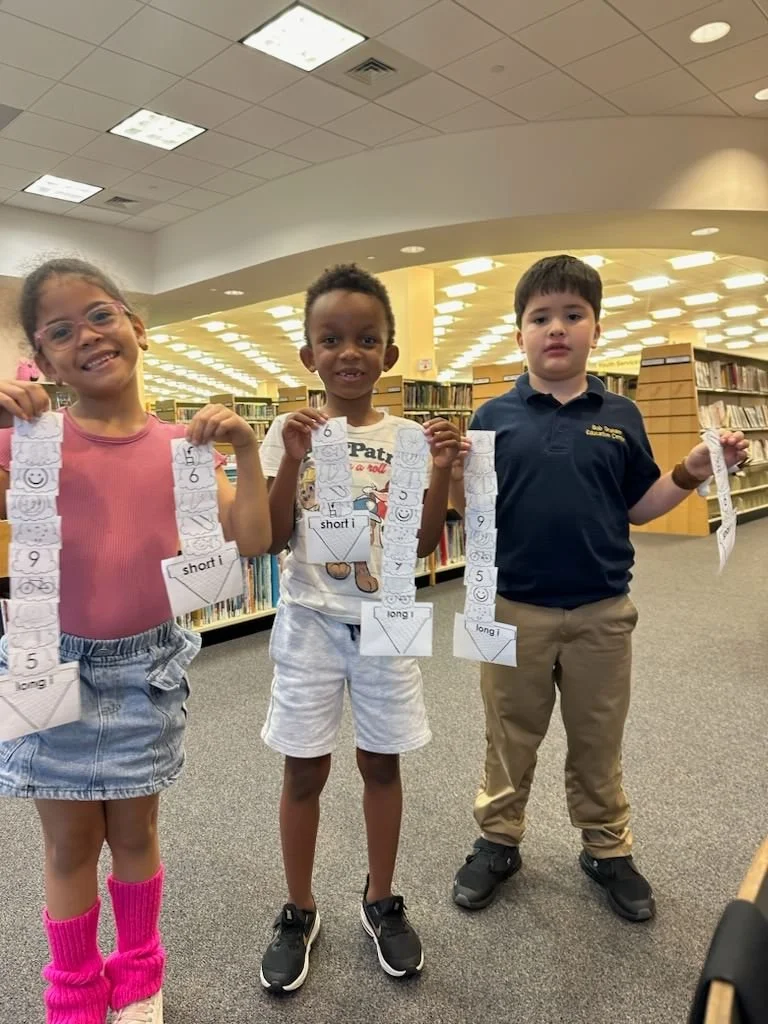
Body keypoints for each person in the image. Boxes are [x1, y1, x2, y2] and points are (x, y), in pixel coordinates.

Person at [0, 257, 271, 1024]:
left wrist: (247, 454)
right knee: (66, 844)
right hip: (48, 665)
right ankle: (76, 987)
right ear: (46, 362)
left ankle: (140, 974)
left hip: (147, 669)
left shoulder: (181, 450)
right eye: (59, 332)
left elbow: (251, 539)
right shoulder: (29, 444)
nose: (85, 336)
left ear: (136, 326)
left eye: (98, 314)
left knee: (136, 830)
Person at [450, 255, 747, 923]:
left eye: (572, 315)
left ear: (596, 329)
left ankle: (606, 848)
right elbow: (468, 513)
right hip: (512, 608)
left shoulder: (622, 414)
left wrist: (695, 469)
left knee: (598, 737)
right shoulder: (492, 416)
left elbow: (640, 507)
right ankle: (498, 841)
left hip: (601, 612)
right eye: (541, 318)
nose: (557, 328)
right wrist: (442, 467)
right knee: (507, 734)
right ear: (519, 332)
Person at [259, 263, 461, 992]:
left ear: (389, 355)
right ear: (308, 354)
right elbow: (271, 536)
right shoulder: (290, 429)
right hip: (311, 619)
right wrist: (287, 461)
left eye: (367, 338)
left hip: (387, 618)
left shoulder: (407, 437)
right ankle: (298, 906)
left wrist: (439, 470)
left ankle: (380, 897)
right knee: (304, 767)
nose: (350, 351)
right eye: (331, 338)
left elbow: (421, 541)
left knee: (382, 762)